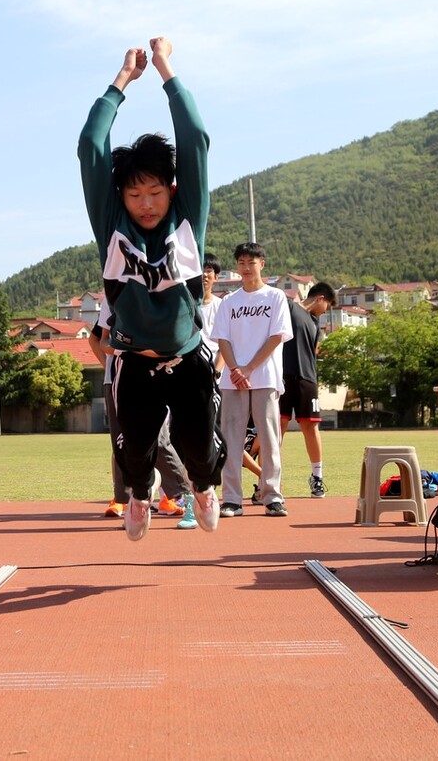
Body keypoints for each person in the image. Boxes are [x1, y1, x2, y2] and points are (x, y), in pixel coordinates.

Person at [78, 37, 224, 541]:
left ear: (174, 190)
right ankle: (139, 498)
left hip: (186, 357)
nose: (146, 203)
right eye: (135, 193)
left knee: (197, 445)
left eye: (155, 192)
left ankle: (204, 489)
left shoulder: (188, 218)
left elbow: (197, 138)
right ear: (120, 195)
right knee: (133, 450)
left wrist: (166, 70)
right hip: (134, 360)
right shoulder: (112, 222)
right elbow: (90, 147)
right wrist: (122, 81)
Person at [211, 242, 293, 517]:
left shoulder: (275, 297)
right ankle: (232, 499)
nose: (246, 267)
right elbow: (222, 338)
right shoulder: (229, 301)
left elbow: (276, 337)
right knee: (231, 440)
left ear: (262, 264)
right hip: (232, 380)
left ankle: (272, 497)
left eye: (252, 262)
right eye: (242, 262)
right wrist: (235, 369)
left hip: (265, 376)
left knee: (269, 439)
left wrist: (249, 368)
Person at [90, 303, 191, 519]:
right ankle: (126, 500)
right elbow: (101, 340)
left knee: (159, 440)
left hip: (154, 377)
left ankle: (187, 491)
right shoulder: (112, 298)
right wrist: (112, 363)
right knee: (122, 440)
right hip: (118, 378)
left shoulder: (159, 295)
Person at [279, 281, 337, 497]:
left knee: (310, 428)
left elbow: (314, 352)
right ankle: (268, 480)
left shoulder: (314, 324)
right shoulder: (288, 306)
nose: (325, 312)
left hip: (307, 379)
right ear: (321, 298)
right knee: (278, 428)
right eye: (327, 306)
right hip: (282, 376)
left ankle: (317, 477)